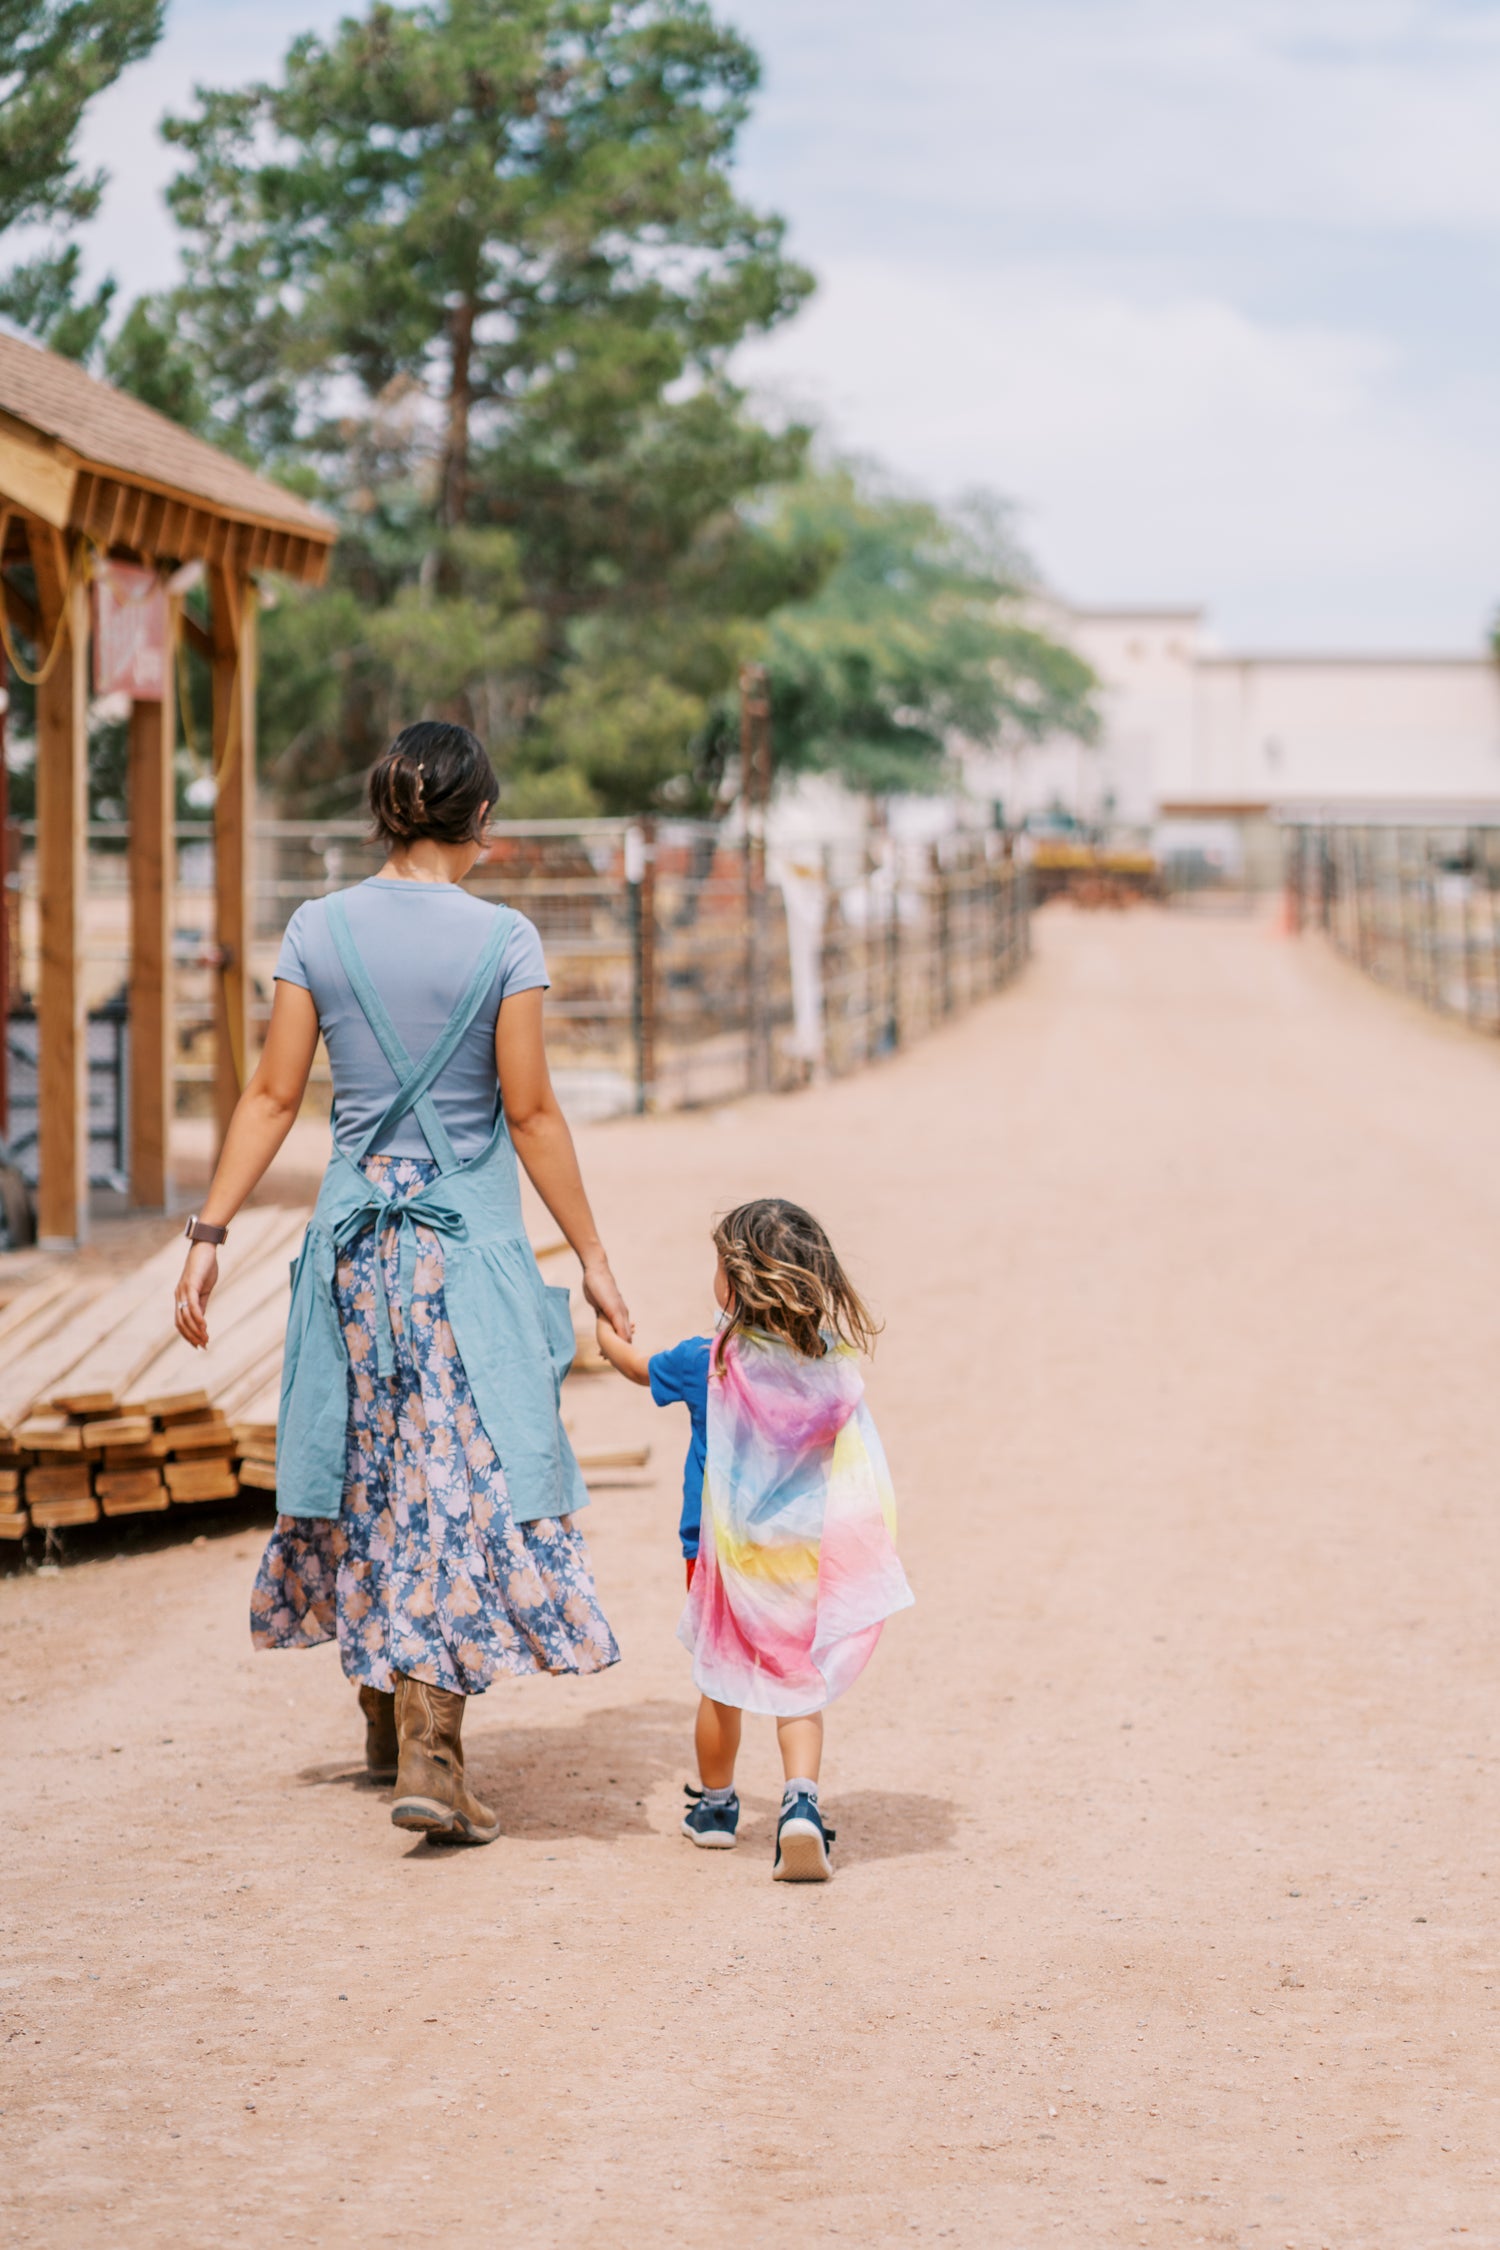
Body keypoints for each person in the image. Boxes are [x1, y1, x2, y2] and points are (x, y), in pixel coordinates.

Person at [172, 721, 632, 1846]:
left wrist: (209, 1229)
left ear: (386, 813)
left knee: (369, 1466)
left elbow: (275, 1098)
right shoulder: (505, 938)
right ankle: (432, 1740)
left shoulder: (318, 929)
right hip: (462, 1255)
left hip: (355, 1258)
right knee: (460, 1484)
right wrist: (597, 1259)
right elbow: (527, 1112)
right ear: (480, 819)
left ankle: (384, 1713)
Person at [594, 1197, 913, 1882]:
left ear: (734, 1283)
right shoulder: (830, 1367)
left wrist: (607, 1328)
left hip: (717, 1559)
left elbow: (630, 1364)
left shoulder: (709, 1361)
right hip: (802, 1561)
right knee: (800, 1690)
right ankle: (800, 1806)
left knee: (722, 1683)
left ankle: (715, 1809)